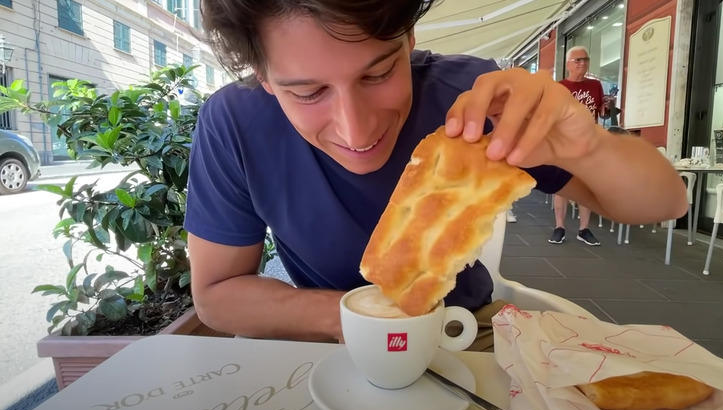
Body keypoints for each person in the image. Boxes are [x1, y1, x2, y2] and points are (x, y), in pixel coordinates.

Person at [184, 0, 688, 344]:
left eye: (378, 73)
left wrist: (589, 146)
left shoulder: (474, 99)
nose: (355, 130)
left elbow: (666, 203)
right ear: (264, 79)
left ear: (408, 39)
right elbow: (216, 295)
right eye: (308, 92)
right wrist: (367, 320)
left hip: (466, 330)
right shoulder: (234, 123)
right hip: (322, 339)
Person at [548, 46, 606, 246]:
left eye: (586, 59)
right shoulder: (559, 87)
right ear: (568, 64)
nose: (583, 63)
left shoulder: (596, 85)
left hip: (588, 143)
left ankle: (584, 229)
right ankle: (559, 227)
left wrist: (609, 107)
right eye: (578, 60)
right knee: (562, 187)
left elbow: (602, 112)